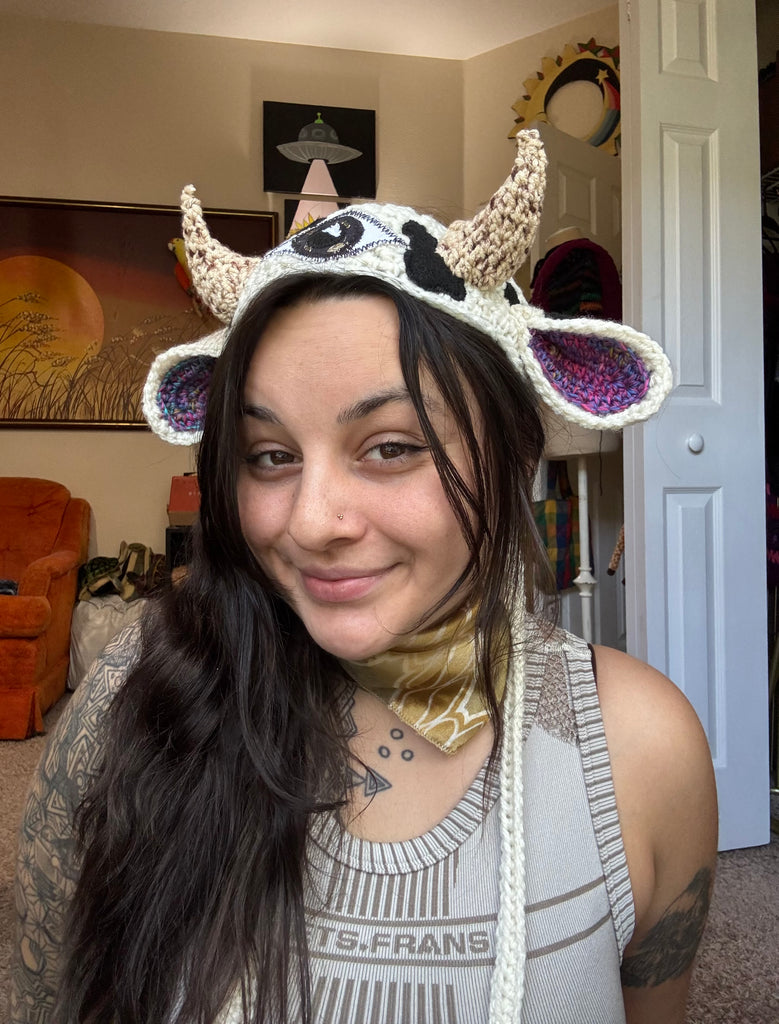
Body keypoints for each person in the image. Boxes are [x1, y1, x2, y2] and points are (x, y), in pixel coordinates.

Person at [11, 130, 717, 1024]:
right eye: (269, 454)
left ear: (513, 454)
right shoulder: (130, 695)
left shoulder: (642, 751)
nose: (310, 522)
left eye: (388, 447)